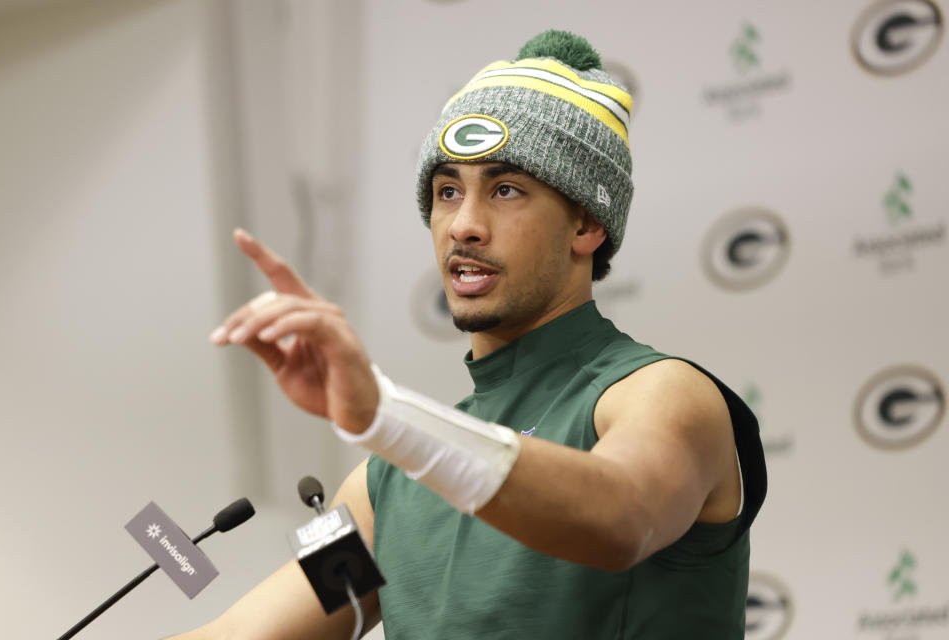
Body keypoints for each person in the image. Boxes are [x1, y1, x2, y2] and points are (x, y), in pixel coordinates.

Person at [172, 30, 766, 640]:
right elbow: (243, 633)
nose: (463, 225)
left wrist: (387, 416)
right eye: (447, 191)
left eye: (506, 190)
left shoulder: (661, 393)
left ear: (587, 222)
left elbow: (623, 518)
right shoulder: (386, 483)